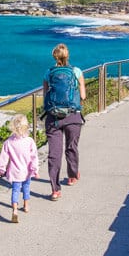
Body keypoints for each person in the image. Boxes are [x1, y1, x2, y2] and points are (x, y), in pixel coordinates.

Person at [42, 43, 86, 201]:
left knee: (54, 154)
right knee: (71, 147)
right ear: (68, 56)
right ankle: (72, 176)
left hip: (53, 117)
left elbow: (45, 96)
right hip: (73, 116)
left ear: (54, 56)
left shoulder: (49, 73)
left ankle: (55, 190)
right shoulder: (76, 71)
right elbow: (83, 96)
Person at [0, 114, 39, 223]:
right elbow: (34, 157)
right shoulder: (29, 141)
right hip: (27, 171)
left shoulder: (8, 142)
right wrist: (35, 170)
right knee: (26, 187)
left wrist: (1, 170)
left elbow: (4, 157)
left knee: (15, 190)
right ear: (26, 127)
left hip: (15, 172)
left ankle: (15, 210)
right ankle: (26, 206)